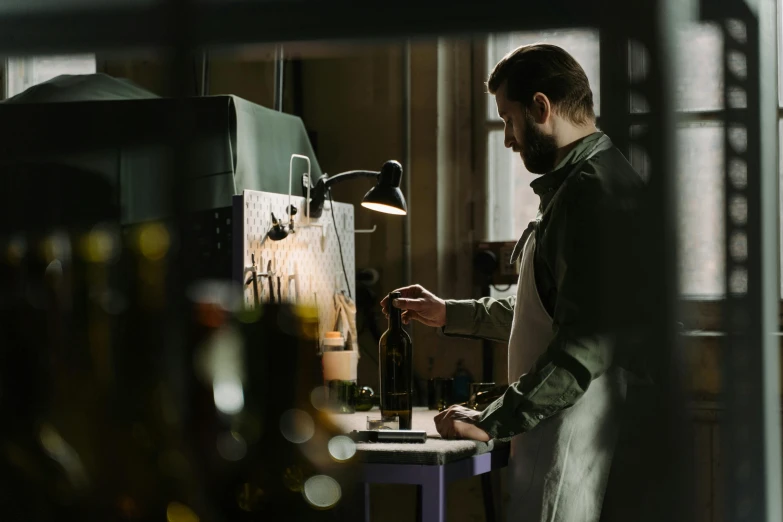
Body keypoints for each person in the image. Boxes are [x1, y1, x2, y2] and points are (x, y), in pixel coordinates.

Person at [382, 44, 657, 522]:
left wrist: (492, 422)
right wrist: (448, 312)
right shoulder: (572, 186)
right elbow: (546, 312)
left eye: (508, 119)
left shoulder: (593, 194)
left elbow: (581, 346)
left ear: (540, 108)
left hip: (573, 431)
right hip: (549, 428)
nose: (508, 139)